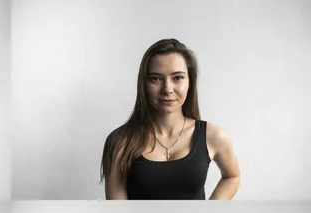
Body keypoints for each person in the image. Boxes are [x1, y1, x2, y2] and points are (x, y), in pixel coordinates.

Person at [100, 39, 240, 200]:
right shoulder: (120, 142)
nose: (167, 89)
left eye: (178, 78)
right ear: (144, 84)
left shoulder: (213, 136)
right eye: (156, 78)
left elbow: (232, 177)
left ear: (190, 82)